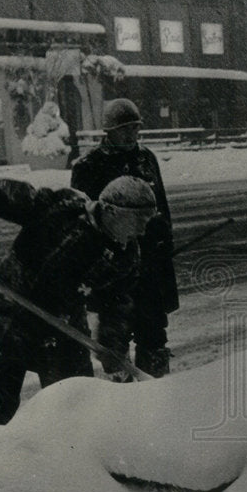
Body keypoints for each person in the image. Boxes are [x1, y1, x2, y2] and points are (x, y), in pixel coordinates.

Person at [0, 176, 158, 426]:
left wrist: (112, 348)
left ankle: (70, 464)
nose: (143, 230)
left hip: (62, 328)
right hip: (6, 318)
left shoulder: (126, 254)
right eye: (138, 220)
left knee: (75, 405)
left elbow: (117, 303)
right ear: (111, 211)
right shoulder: (62, 208)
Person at [71, 98, 180, 378]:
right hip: (113, 272)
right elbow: (85, 222)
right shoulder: (89, 166)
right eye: (125, 128)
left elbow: (161, 211)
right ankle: (119, 396)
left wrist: (163, 250)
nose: (132, 134)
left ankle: (156, 388)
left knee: (154, 336)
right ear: (109, 131)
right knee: (113, 340)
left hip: (150, 269)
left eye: (135, 127)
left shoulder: (146, 159)